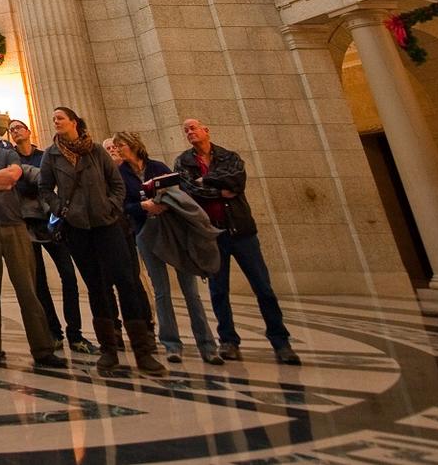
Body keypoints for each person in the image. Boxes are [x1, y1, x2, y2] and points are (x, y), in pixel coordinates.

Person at [40, 107, 166, 376]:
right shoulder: (51, 156)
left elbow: (117, 184)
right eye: (54, 119)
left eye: (60, 118)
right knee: (97, 287)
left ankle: (143, 351)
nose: (55, 122)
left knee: (127, 283)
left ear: (74, 122)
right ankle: (109, 350)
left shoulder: (96, 150)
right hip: (77, 229)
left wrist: (110, 207)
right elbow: (44, 189)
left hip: (108, 225)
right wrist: (60, 209)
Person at [175, 118, 301, 365]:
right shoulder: (184, 161)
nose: (190, 132)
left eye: (193, 128)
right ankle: (228, 341)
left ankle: (280, 341)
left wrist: (207, 181)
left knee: (263, 288)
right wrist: (218, 187)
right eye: (186, 130)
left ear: (206, 130)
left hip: (241, 231)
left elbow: (237, 183)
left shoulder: (229, 156)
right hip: (211, 233)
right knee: (219, 289)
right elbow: (190, 190)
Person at [0, 112, 66, 371]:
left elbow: (14, 176)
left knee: (27, 288)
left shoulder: (8, 153)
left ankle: (42, 348)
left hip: (14, 225)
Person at [112, 130, 218, 365]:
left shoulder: (158, 167)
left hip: (172, 230)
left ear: (133, 145)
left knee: (190, 291)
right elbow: (122, 205)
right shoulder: (119, 174)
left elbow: (177, 192)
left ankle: (207, 345)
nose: (118, 150)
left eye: (121, 145)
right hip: (146, 231)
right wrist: (143, 206)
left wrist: (162, 203)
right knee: (161, 291)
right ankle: (171, 344)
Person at [7, 117, 95, 356]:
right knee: (39, 282)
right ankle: (53, 332)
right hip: (26, 223)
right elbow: (28, 185)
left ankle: (75, 333)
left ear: (28, 130)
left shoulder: (46, 155)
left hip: (52, 221)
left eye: (18, 128)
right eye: (11, 130)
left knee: (69, 276)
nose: (15, 132)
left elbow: (52, 184)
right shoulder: (10, 159)